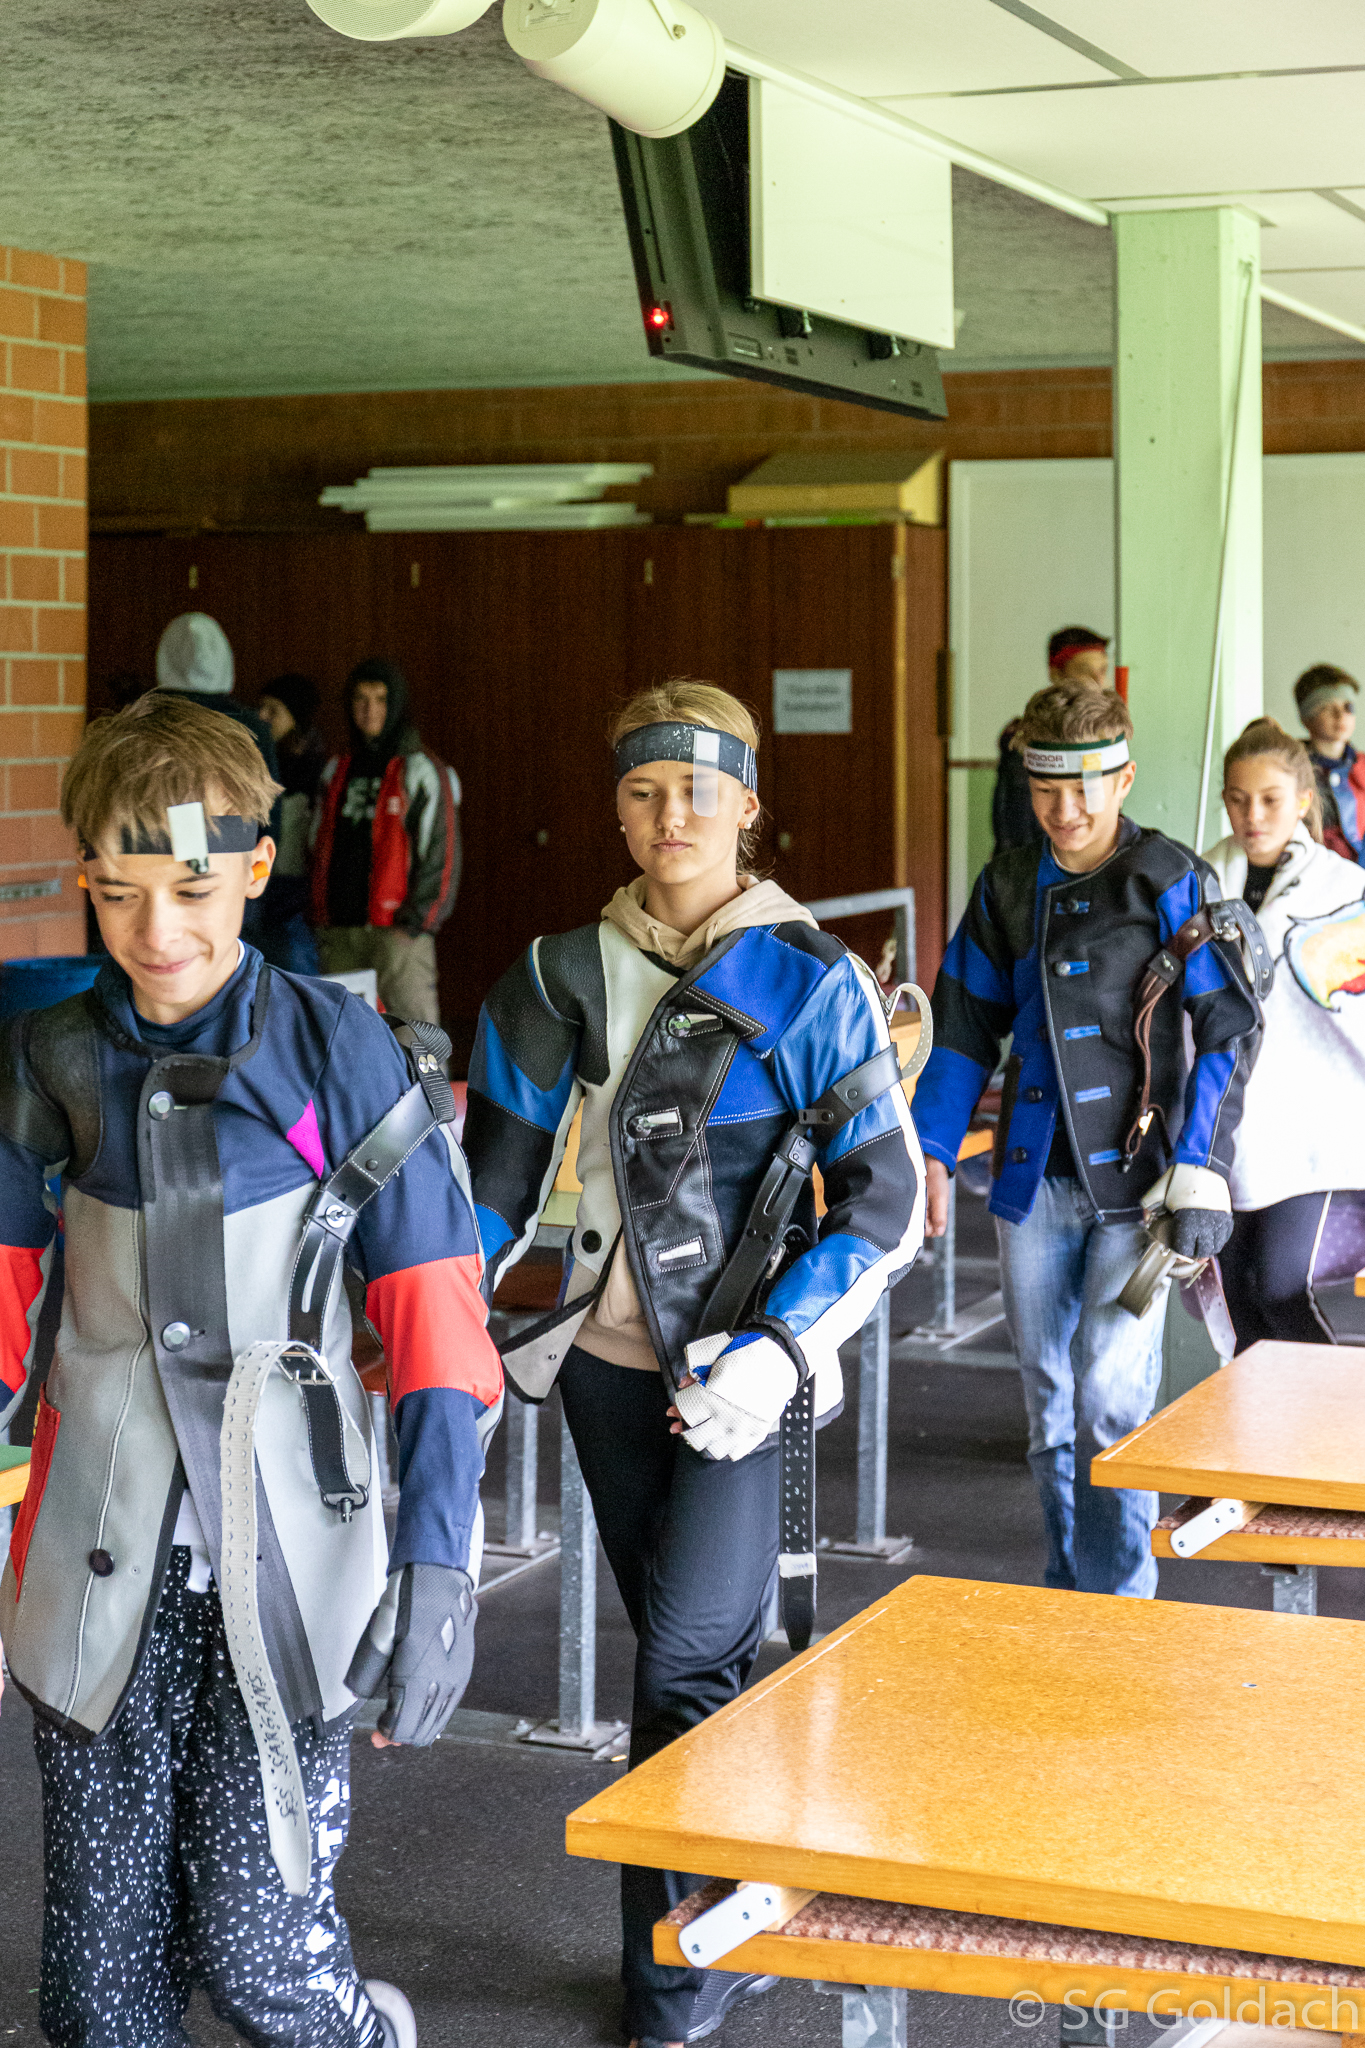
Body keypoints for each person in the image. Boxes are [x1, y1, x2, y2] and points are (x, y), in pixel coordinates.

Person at [0, 693, 501, 2048]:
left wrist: (440, 1559)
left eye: (191, 889)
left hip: (296, 1558)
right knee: (100, 1998)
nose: (154, 931)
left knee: (261, 1953)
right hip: (94, 1556)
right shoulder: (49, 1055)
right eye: (116, 893)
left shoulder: (342, 1049)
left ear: (259, 867)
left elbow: (436, 1321)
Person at [462, 679, 924, 2048]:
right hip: (602, 1368)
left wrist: (779, 1352)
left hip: (746, 1379)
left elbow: (888, 1200)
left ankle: (669, 1986)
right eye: (644, 792)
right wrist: (429, 1332)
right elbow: (487, 1195)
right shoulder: (553, 972)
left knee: (680, 1659)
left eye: (698, 792)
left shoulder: (813, 978)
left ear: (746, 808)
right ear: (617, 809)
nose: (672, 816)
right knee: (691, 1659)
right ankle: (728, 1907)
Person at [914, 679, 1261, 1599]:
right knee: (1047, 1406)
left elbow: (1228, 1028)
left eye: (1082, 788)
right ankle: (1067, 1587)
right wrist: (932, 1153)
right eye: (1043, 789)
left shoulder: (1168, 875)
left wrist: (1201, 1167)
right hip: (1029, 1182)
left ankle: (1118, 1603)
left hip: (1137, 1189)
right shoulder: (1004, 883)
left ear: (1123, 779)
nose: (1062, 810)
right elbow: (962, 1026)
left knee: (1109, 1400)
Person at [1205, 717, 1365, 1344]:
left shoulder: (1345, 889)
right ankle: (1259, 1410)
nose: (1254, 816)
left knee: (1280, 1283)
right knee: (1235, 1293)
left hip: (1319, 1131)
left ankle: (1334, 1403)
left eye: (1270, 800)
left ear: (1302, 800)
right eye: (1239, 799)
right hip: (1226, 1126)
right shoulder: (1195, 883)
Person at [312, 659, 461, 1023]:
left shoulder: (421, 769)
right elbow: (315, 845)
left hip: (399, 931)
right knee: (343, 1035)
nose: (370, 710)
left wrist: (419, 921)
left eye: (381, 699)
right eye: (360, 699)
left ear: (397, 705)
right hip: (341, 930)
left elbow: (443, 853)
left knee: (415, 1036)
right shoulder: (336, 768)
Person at [155, 612, 284, 951]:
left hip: (159, 876)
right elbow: (271, 816)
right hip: (236, 876)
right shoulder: (252, 727)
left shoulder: (148, 722)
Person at [991, 626, 1111, 858]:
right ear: (1056, 673)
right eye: (1085, 671)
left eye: (1103, 670)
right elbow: (1014, 828)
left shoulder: (1106, 735)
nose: (1098, 681)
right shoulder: (1026, 738)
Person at [257, 671, 328, 973]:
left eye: (273, 710)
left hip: (297, 902)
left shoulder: (317, 772)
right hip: (260, 891)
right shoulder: (256, 766)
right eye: (261, 707)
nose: (261, 716)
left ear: (295, 719)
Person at [1294, 663, 1364, 861]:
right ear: (1306, 718)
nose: (1340, 715)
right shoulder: (1291, 768)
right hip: (1312, 867)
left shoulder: (1362, 766)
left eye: (1348, 707)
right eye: (1326, 707)